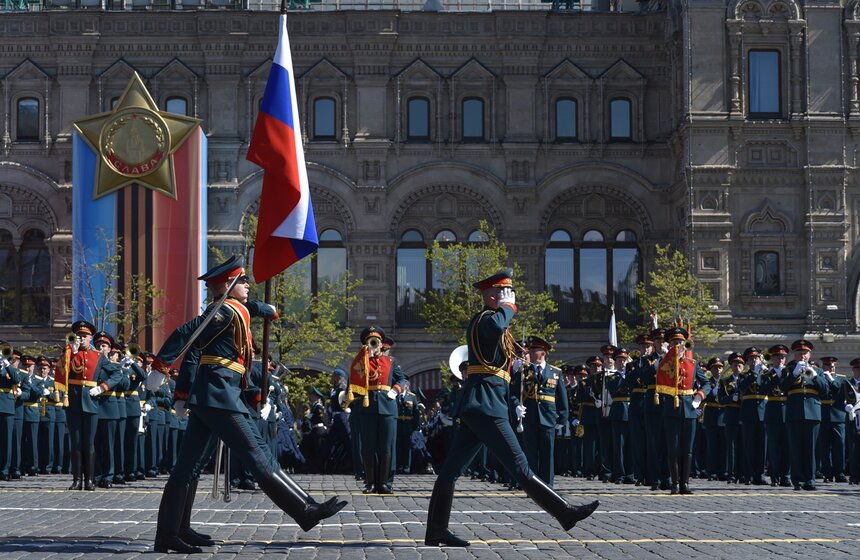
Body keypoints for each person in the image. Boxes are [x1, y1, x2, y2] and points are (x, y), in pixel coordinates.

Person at [149, 255, 346, 553]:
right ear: (228, 285)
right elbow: (186, 334)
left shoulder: (233, 312)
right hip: (218, 397)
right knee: (259, 456)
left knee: (188, 467)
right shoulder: (224, 312)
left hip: (216, 394)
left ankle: (173, 530)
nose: (248, 285)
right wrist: (160, 367)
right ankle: (306, 510)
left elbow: (234, 344)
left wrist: (259, 309)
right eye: (242, 281)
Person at [423, 269, 598, 547]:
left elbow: (499, 350)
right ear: (493, 295)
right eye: (505, 292)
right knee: (520, 466)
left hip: (482, 403)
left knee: (450, 471)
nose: (509, 296)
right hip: (487, 406)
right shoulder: (486, 318)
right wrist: (509, 307)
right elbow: (495, 328)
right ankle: (564, 512)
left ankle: (435, 530)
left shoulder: (491, 320)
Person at [55, 321, 124, 491]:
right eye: (79, 335)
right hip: (73, 401)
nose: (81, 338)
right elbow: (60, 370)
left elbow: (117, 373)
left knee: (89, 443)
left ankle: (90, 480)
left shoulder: (98, 355)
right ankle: (77, 479)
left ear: (90, 338)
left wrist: (102, 387)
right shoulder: (70, 354)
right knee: (76, 442)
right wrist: (71, 352)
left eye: (84, 336)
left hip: (91, 403)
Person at [347, 326, 405, 494]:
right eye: (370, 342)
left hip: (387, 405)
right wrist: (364, 358)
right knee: (369, 447)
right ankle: (370, 482)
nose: (374, 344)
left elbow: (402, 379)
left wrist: (395, 390)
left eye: (376, 342)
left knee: (386, 447)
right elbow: (354, 380)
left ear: (381, 344)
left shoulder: (390, 362)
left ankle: (385, 483)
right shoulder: (361, 361)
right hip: (368, 406)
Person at [656, 326, 709, 495]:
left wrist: (699, 396)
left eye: (680, 342)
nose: (678, 345)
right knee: (673, 448)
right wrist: (668, 357)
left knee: (687, 449)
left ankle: (685, 483)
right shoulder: (665, 362)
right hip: (672, 410)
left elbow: (706, 383)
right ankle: (674, 483)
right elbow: (660, 377)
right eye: (674, 342)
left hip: (689, 409)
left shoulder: (692, 364)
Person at [780, 339, 828, 491]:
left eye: (805, 353)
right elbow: (782, 387)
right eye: (799, 353)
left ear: (809, 354)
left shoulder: (817, 371)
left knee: (810, 448)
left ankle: (810, 479)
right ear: (794, 355)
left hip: (813, 413)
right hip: (794, 412)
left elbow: (825, 390)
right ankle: (798, 480)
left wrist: (815, 377)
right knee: (795, 448)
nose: (802, 355)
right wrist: (794, 374)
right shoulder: (788, 370)